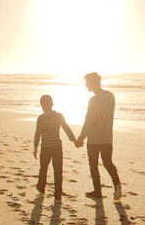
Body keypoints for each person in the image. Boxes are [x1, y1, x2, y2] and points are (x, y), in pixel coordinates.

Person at [75, 72, 122, 201]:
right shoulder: (110, 96)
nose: (86, 85)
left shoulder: (93, 101)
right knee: (107, 162)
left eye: (87, 83)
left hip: (94, 139)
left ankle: (97, 191)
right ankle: (117, 185)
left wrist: (80, 138)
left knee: (93, 165)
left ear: (93, 83)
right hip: (107, 138)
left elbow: (88, 122)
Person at [34, 94, 77, 202]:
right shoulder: (59, 116)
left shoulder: (40, 119)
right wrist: (74, 140)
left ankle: (41, 187)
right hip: (57, 147)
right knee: (58, 170)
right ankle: (57, 193)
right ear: (52, 104)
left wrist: (35, 147)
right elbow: (66, 129)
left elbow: (37, 134)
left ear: (41, 105)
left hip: (45, 148)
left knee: (43, 168)